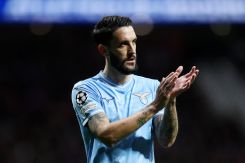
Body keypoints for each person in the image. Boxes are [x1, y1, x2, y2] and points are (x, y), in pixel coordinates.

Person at [71, 16, 199, 163]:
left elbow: (166, 140)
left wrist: (170, 100)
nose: (132, 51)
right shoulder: (85, 90)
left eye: (134, 42)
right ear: (103, 50)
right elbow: (107, 135)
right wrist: (156, 105)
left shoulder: (152, 87)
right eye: (123, 44)